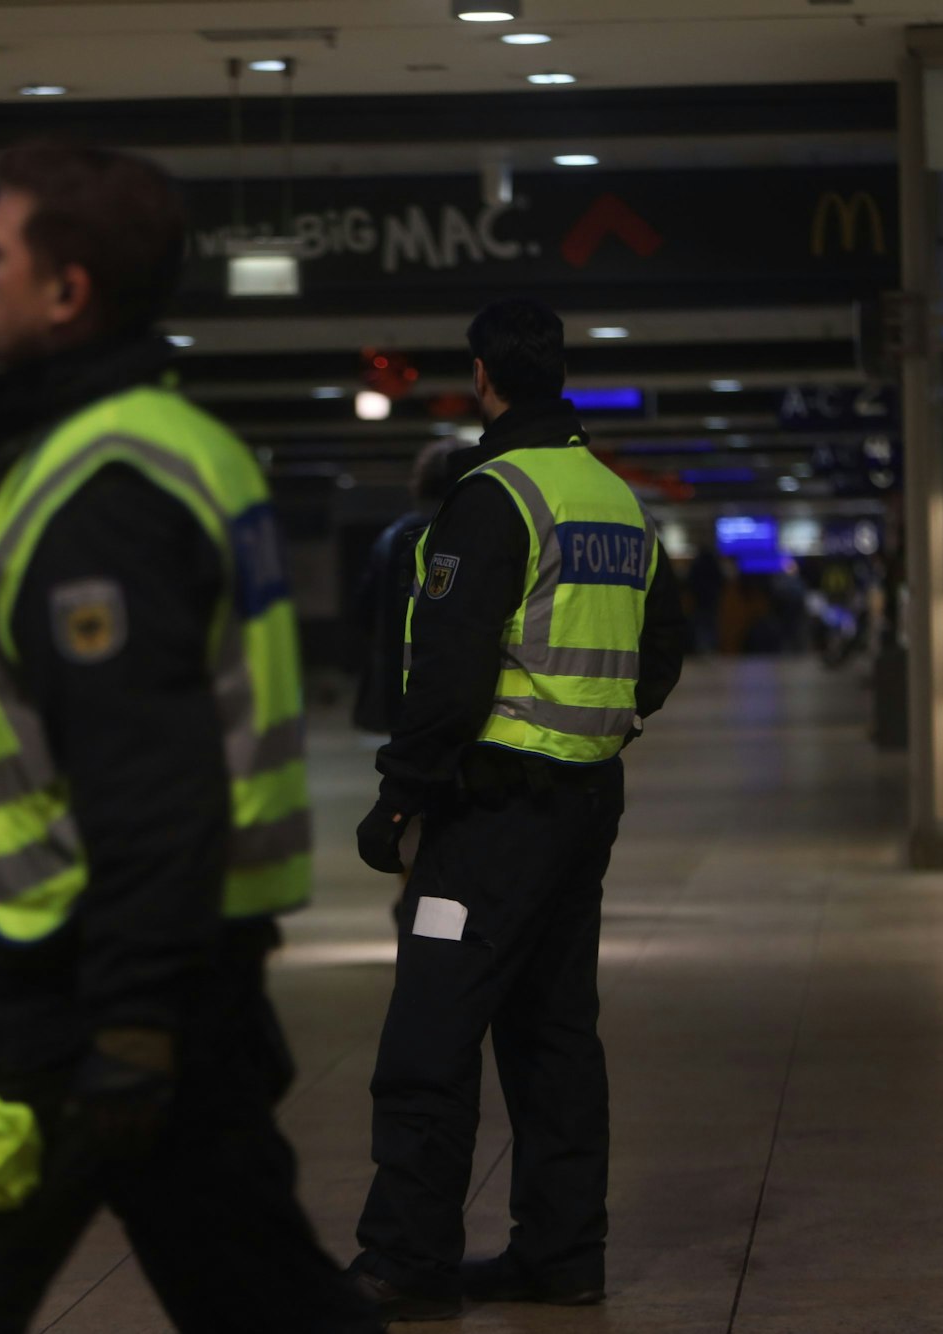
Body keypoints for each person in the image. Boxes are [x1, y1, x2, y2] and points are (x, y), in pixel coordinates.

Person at [0, 141, 376, 1334]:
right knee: (266, 1298)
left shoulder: (104, 490)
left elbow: (151, 778)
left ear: (65, 289)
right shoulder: (145, 449)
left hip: (91, 984)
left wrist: (131, 1021)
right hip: (164, 968)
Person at [346, 298, 686, 1322]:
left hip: (488, 812)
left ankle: (405, 1261)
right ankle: (560, 1251)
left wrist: (397, 799)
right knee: (552, 1035)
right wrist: (604, 724)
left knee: (429, 1037)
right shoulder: (616, 502)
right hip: (582, 808)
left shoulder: (493, 497)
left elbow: (447, 676)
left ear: (484, 375)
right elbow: (659, 652)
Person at [351, 439, 459, 734]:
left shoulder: (390, 538)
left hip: (397, 691)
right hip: (459, 691)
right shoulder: (475, 535)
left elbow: (362, 612)